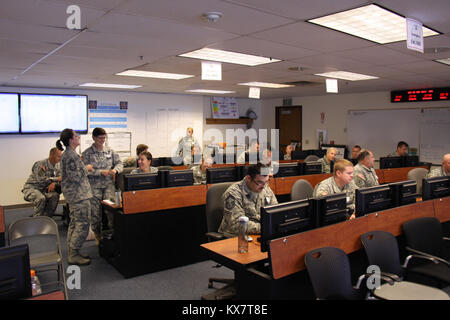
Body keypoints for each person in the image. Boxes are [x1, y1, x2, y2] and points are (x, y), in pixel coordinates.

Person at [56, 129, 92, 265]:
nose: (78, 137)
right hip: (78, 196)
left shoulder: (71, 154)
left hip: (76, 195)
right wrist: (86, 168)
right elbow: (75, 176)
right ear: (71, 140)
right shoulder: (70, 156)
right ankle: (73, 254)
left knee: (75, 223)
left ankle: (73, 251)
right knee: (82, 224)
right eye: (76, 136)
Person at [82, 127, 123, 239]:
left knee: (111, 211)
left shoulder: (110, 151)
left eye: (104, 138)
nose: (102, 140)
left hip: (108, 186)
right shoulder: (87, 154)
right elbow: (84, 171)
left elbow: (120, 163)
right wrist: (100, 172)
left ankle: (113, 234)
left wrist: (115, 170)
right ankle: (97, 237)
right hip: (94, 188)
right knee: (95, 214)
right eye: (100, 138)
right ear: (94, 138)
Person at [218, 163, 278, 238]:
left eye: (266, 182)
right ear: (248, 178)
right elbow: (236, 224)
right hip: (235, 236)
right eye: (259, 182)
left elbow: (275, 212)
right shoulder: (233, 194)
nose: (263, 186)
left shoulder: (265, 188)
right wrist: (266, 227)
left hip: (260, 233)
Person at [22, 147, 62, 217]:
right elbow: (41, 180)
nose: (60, 158)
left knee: (55, 196)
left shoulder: (58, 165)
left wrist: (54, 183)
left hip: (44, 189)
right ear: (51, 155)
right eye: (58, 156)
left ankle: (47, 219)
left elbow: (61, 178)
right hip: (32, 188)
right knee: (41, 198)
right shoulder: (41, 164)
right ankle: (37, 221)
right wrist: (56, 179)